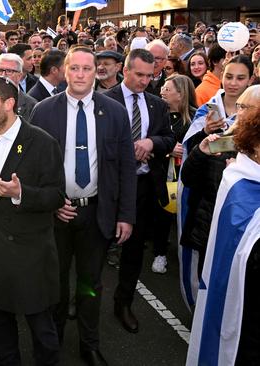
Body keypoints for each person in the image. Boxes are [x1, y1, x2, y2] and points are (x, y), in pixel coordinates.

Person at [30, 46, 136, 366]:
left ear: (96, 73)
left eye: (86, 69)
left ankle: (89, 344)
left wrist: (125, 216)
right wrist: (51, 204)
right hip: (57, 214)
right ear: (64, 71)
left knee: (91, 284)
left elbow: (126, 169)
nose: (80, 75)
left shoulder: (115, 112)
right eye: (74, 68)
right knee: (56, 284)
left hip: (96, 213)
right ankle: (54, 342)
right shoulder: (43, 111)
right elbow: (32, 166)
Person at [0, 73, 65, 365]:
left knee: (42, 331)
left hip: (30, 254)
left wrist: (21, 193)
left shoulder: (41, 142)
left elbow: (56, 196)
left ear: (9, 103)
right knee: (1, 328)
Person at [185, 85, 260, 366]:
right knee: (214, 307)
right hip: (212, 239)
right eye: (237, 106)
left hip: (245, 285)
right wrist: (201, 151)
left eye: (245, 108)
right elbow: (191, 180)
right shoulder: (222, 143)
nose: (237, 113)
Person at [104, 48, 175, 334]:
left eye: (150, 75)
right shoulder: (103, 101)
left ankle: (124, 303)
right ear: (125, 70)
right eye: (140, 75)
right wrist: (126, 152)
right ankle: (81, 299)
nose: (145, 81)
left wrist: (150, 143)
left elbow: (169, 138)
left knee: (133, 253)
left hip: (143, 188)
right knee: (93, 251)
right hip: (109, 188)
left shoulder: (157, 105)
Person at [179, 56, 256, 306]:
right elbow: (189, 170)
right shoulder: (208, 110)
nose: (233, 83)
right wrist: (204, 136)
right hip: (208, 211)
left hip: (244, 226)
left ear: (251, 79)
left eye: (240, 78)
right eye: (229, 76)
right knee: (206, 276)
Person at [153, 74, 197, 274]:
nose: (162, 90)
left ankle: (186, 256)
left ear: (181, 94)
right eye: (162, 87)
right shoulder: (157, 114)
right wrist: (169, 150)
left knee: (187, 216)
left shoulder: (197, 118)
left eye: (167, 89)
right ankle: (159, 253)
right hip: (162, 174)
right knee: (162, 216)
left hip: (188, 177)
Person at [0, 53, 38, 123]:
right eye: (0, 70)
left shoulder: (32, 105)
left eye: (9, 71)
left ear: (19, 76)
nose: (3, 75)